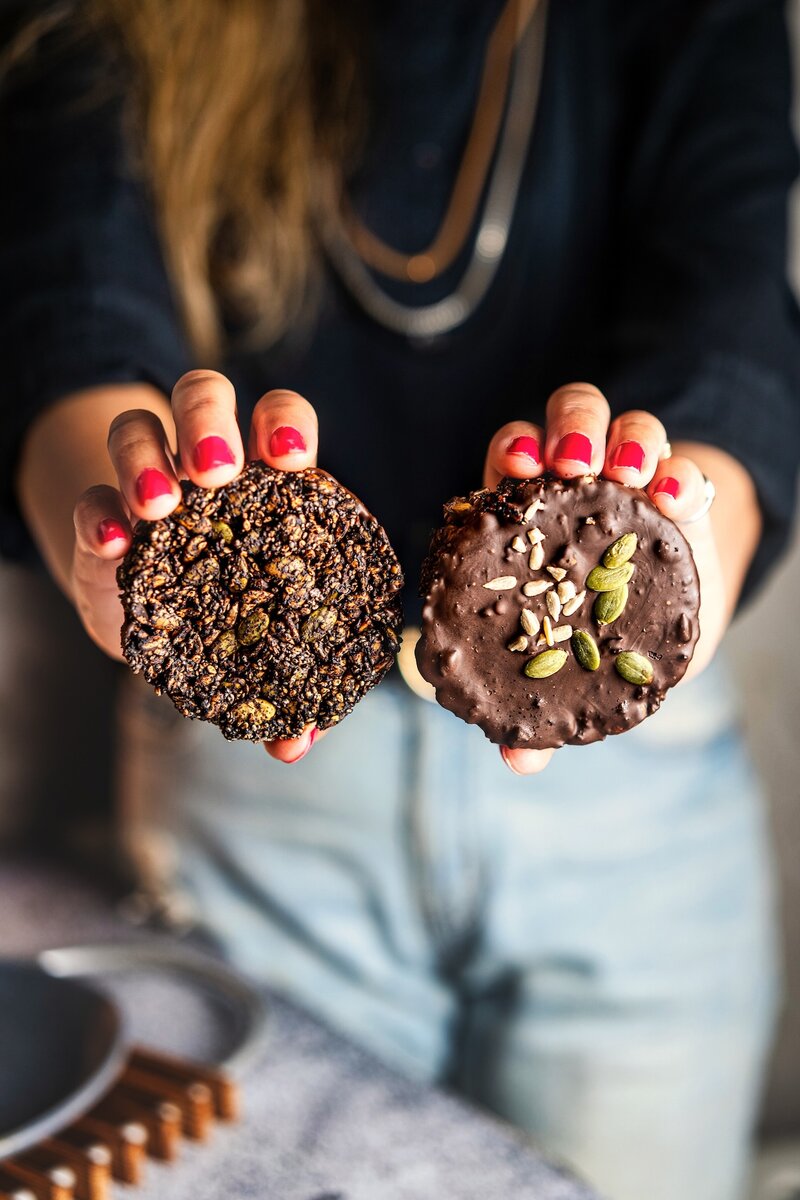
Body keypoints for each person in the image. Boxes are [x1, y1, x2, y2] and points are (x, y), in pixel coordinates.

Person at [3, 0, 799, 1196]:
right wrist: (119, 514)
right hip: (261, 800)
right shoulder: (120, 22)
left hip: (629, 795)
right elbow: (66, 311)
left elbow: (732, 316)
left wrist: (684, 528)